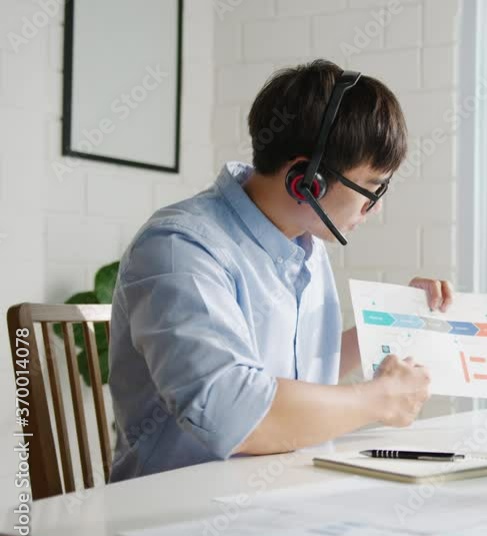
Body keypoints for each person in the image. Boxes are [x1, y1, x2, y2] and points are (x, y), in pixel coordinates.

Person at [107, 59, 449, 481]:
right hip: (177, 515)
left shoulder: (301, 241)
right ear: (306, 180)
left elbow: (294, 373)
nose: (374, 207)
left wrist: (394, 322)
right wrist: (378, 400)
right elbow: (232, 413)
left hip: (281, 494)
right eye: (371, 188)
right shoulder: (180, 248)